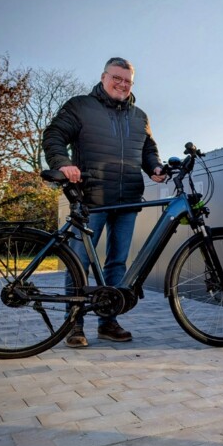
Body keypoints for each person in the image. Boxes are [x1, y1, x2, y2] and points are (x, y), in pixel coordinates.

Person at [43, 57, 166, 348]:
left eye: (128, 80)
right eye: (117, 78)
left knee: (116, 263)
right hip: (90, 199)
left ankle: (108, 322)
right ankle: (74, 325)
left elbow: (148, 149)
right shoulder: (80, 106)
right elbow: (54, 135)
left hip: (126, 201)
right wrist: (63, 163)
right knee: (79, 263)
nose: (122, 84)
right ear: (103, 77)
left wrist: (155, 168)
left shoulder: (140, 116)